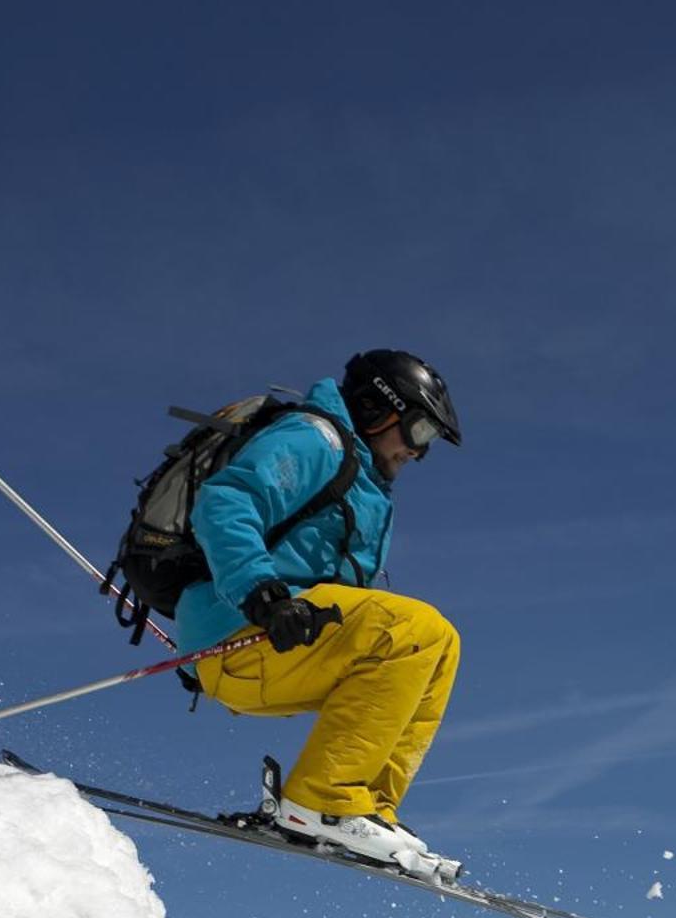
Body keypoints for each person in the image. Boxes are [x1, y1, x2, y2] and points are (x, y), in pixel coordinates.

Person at [175, 350, 464, 880]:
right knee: (415, 630)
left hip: (278, 643)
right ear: (379, 410)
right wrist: (261, 592)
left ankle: (362, 805)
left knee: (440, 644)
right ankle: (323, 800)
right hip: (245, 628)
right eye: (419, 431)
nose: (418, 452)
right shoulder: (315, 440)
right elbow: (225, 503)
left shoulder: (366, 484)